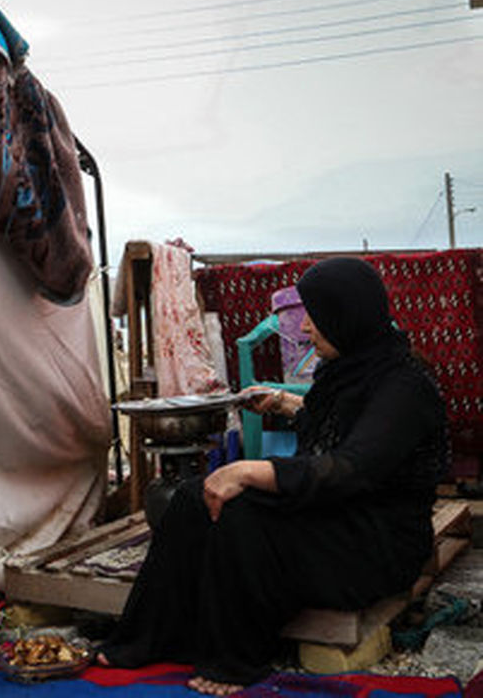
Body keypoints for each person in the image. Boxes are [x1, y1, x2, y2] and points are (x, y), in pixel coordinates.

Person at [97, 256, 448, 695]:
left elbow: (350, 467)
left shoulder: (404, 387)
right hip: (335, 511)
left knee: (244, 518)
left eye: (315, 318)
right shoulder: (350, 369)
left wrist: (248, 469)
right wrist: (287, 404)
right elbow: (340, 428)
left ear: (348, 316)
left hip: (375, 538)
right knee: (193, 498)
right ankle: (150, 638)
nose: (304, 330)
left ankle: (236, 660)